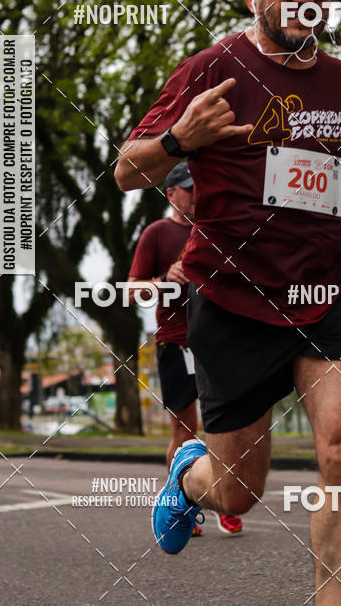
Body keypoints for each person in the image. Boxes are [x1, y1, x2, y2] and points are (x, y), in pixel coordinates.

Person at [115, 0, 341, 604]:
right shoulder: (212, 69)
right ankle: (192, 478)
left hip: (325, 292)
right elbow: (126, 170)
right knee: (240, 491)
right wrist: (177, 139)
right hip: (230, 301)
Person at [128, 161, 242, 537]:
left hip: (215, 342)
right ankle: (180, 503)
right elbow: (132, 290)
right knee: (184, 429)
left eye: (200, 187)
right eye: (189, 189)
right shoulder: (157, 233)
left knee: (223, 425)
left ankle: (226, 502)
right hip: (175, 341)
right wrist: (163, 280)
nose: (197, 195)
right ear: (171, 193)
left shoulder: (211, 228)